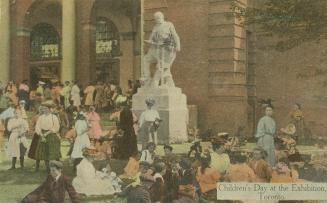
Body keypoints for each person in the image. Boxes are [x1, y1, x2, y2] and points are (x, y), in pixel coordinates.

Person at [143, 11, 181, 87]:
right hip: (156, 49)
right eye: (155, 19)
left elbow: (175, 35)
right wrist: (149, 41)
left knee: (161, 66)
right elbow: (151, 38)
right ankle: (147, 78)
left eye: (158, 18)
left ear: (162, 17)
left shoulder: (169, 24)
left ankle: (155, 83)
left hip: (167, 49)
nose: (157, 20)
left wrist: (178, 46)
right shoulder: (155, 27)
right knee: (145, 59)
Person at [34, 102, 61, 171]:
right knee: (41, 151)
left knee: (52, 152)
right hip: (42, 134)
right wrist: (41, 134)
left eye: (46, 109)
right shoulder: (41, 117)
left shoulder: (53, 117)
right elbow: (37, 126)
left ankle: (56, 167)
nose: (44, 110)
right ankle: (39, 167)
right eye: (43, 109)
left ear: (50, 109)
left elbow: (56, 127)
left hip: (51, 134)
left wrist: (47, 133)